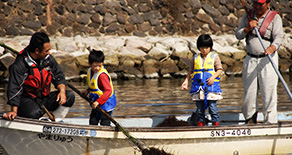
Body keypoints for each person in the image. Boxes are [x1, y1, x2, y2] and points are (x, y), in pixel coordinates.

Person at [3, 32, 75, 121]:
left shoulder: (48, 60)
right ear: (37, 51)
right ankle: (34, 117)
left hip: (43, 99)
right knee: (34, 113)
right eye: (46, 51)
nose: (49, 53)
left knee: (70, 95)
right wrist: (13, 111)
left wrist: (62, 91)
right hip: (27, 100)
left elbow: (58, 76)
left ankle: (55, 120)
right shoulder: (19, 65)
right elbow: (14, 89)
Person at [235, 0, 283, 124]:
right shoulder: (248, 16)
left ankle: (270, 122)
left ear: (267, 3)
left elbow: (279, 37)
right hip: (250, 59)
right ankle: (250, 120)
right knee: (249, 93)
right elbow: (238, 34)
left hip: (268, 60)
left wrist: (272, 47)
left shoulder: (274, 17)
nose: (257, 6)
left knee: (269, 93)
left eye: (260, 4)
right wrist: (247, 28)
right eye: (255, 3)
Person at [181, 34, 223, 126]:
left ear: (210, 47)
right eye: (202, 47)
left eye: (207, 47)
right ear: (199, 47)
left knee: (213, 108)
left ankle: (216, 124)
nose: (204, 50)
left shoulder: (214, 57)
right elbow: (191, 71)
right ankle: (200, 125)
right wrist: (186, 81)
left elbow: (219, 70)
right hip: (198, 88)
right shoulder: (195, 58)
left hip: (210, 88)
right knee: (200, 110)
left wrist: (213, 77)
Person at [82, 49, 117, 126]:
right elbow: (93, 86)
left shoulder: (102, 76)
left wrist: (98, 102)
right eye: (95, 66)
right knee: (93, 120)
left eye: (100, 65)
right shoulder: (90, 72)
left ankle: (106, 136)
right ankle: (92, 134)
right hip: (96, 102)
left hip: (106, 103)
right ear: (89, 64)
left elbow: (108, 91)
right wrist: (87, 91)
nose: (97, 68)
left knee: (104, 122)